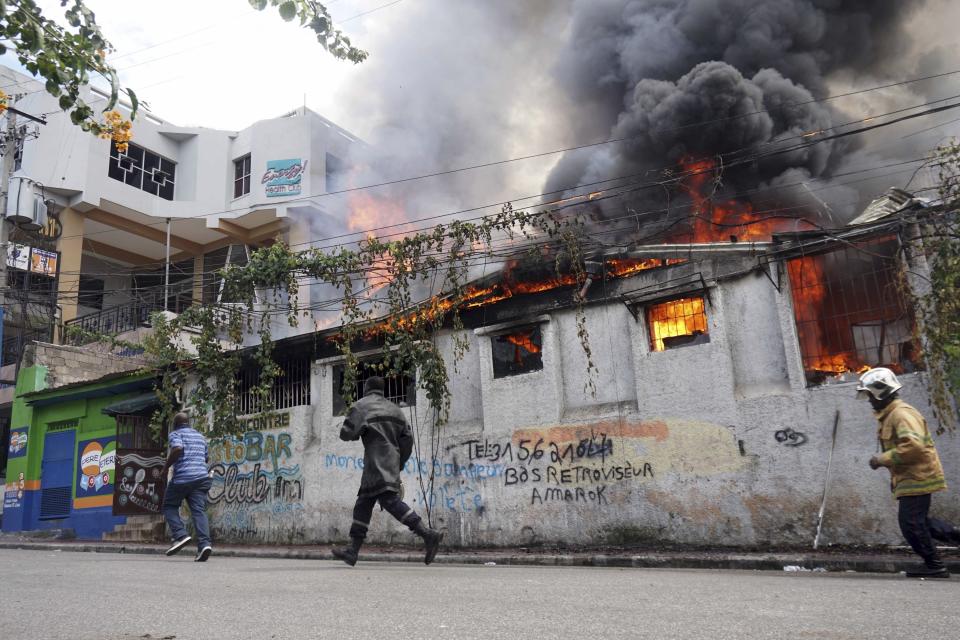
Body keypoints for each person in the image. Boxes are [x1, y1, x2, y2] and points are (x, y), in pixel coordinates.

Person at [858, 367, 958, 578]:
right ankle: (940, 556)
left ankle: (934, 565)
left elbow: (913, 446)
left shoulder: (901, 414)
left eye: (869, 395)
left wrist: (881, 459)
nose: (869, 400)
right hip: (909, 477)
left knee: (911, 524)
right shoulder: (891, 414)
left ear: (880, 392)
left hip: (918, 477)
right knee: (919, 522)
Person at [332, 376, 443, 566]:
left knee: (389, 501)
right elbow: (407, 441)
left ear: (366, 387)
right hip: (390, 463)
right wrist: (399, 463)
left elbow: (346, 434)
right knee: (363, 505)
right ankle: (352, 552)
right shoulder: (396, 410)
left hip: (375, 464)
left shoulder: (361, 406)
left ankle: (427, 534)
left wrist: (358, 427)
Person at [162, 412, 213, 562]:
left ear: (175, 424)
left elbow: (177, 449)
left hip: (183, 479)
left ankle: (180, 535)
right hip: (201, 478)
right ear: (188, 423)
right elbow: (205, 458)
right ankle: (204, 545)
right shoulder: (200, 436)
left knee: (169, 506)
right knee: (199, 511)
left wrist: (166, 467)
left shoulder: (175, 434)